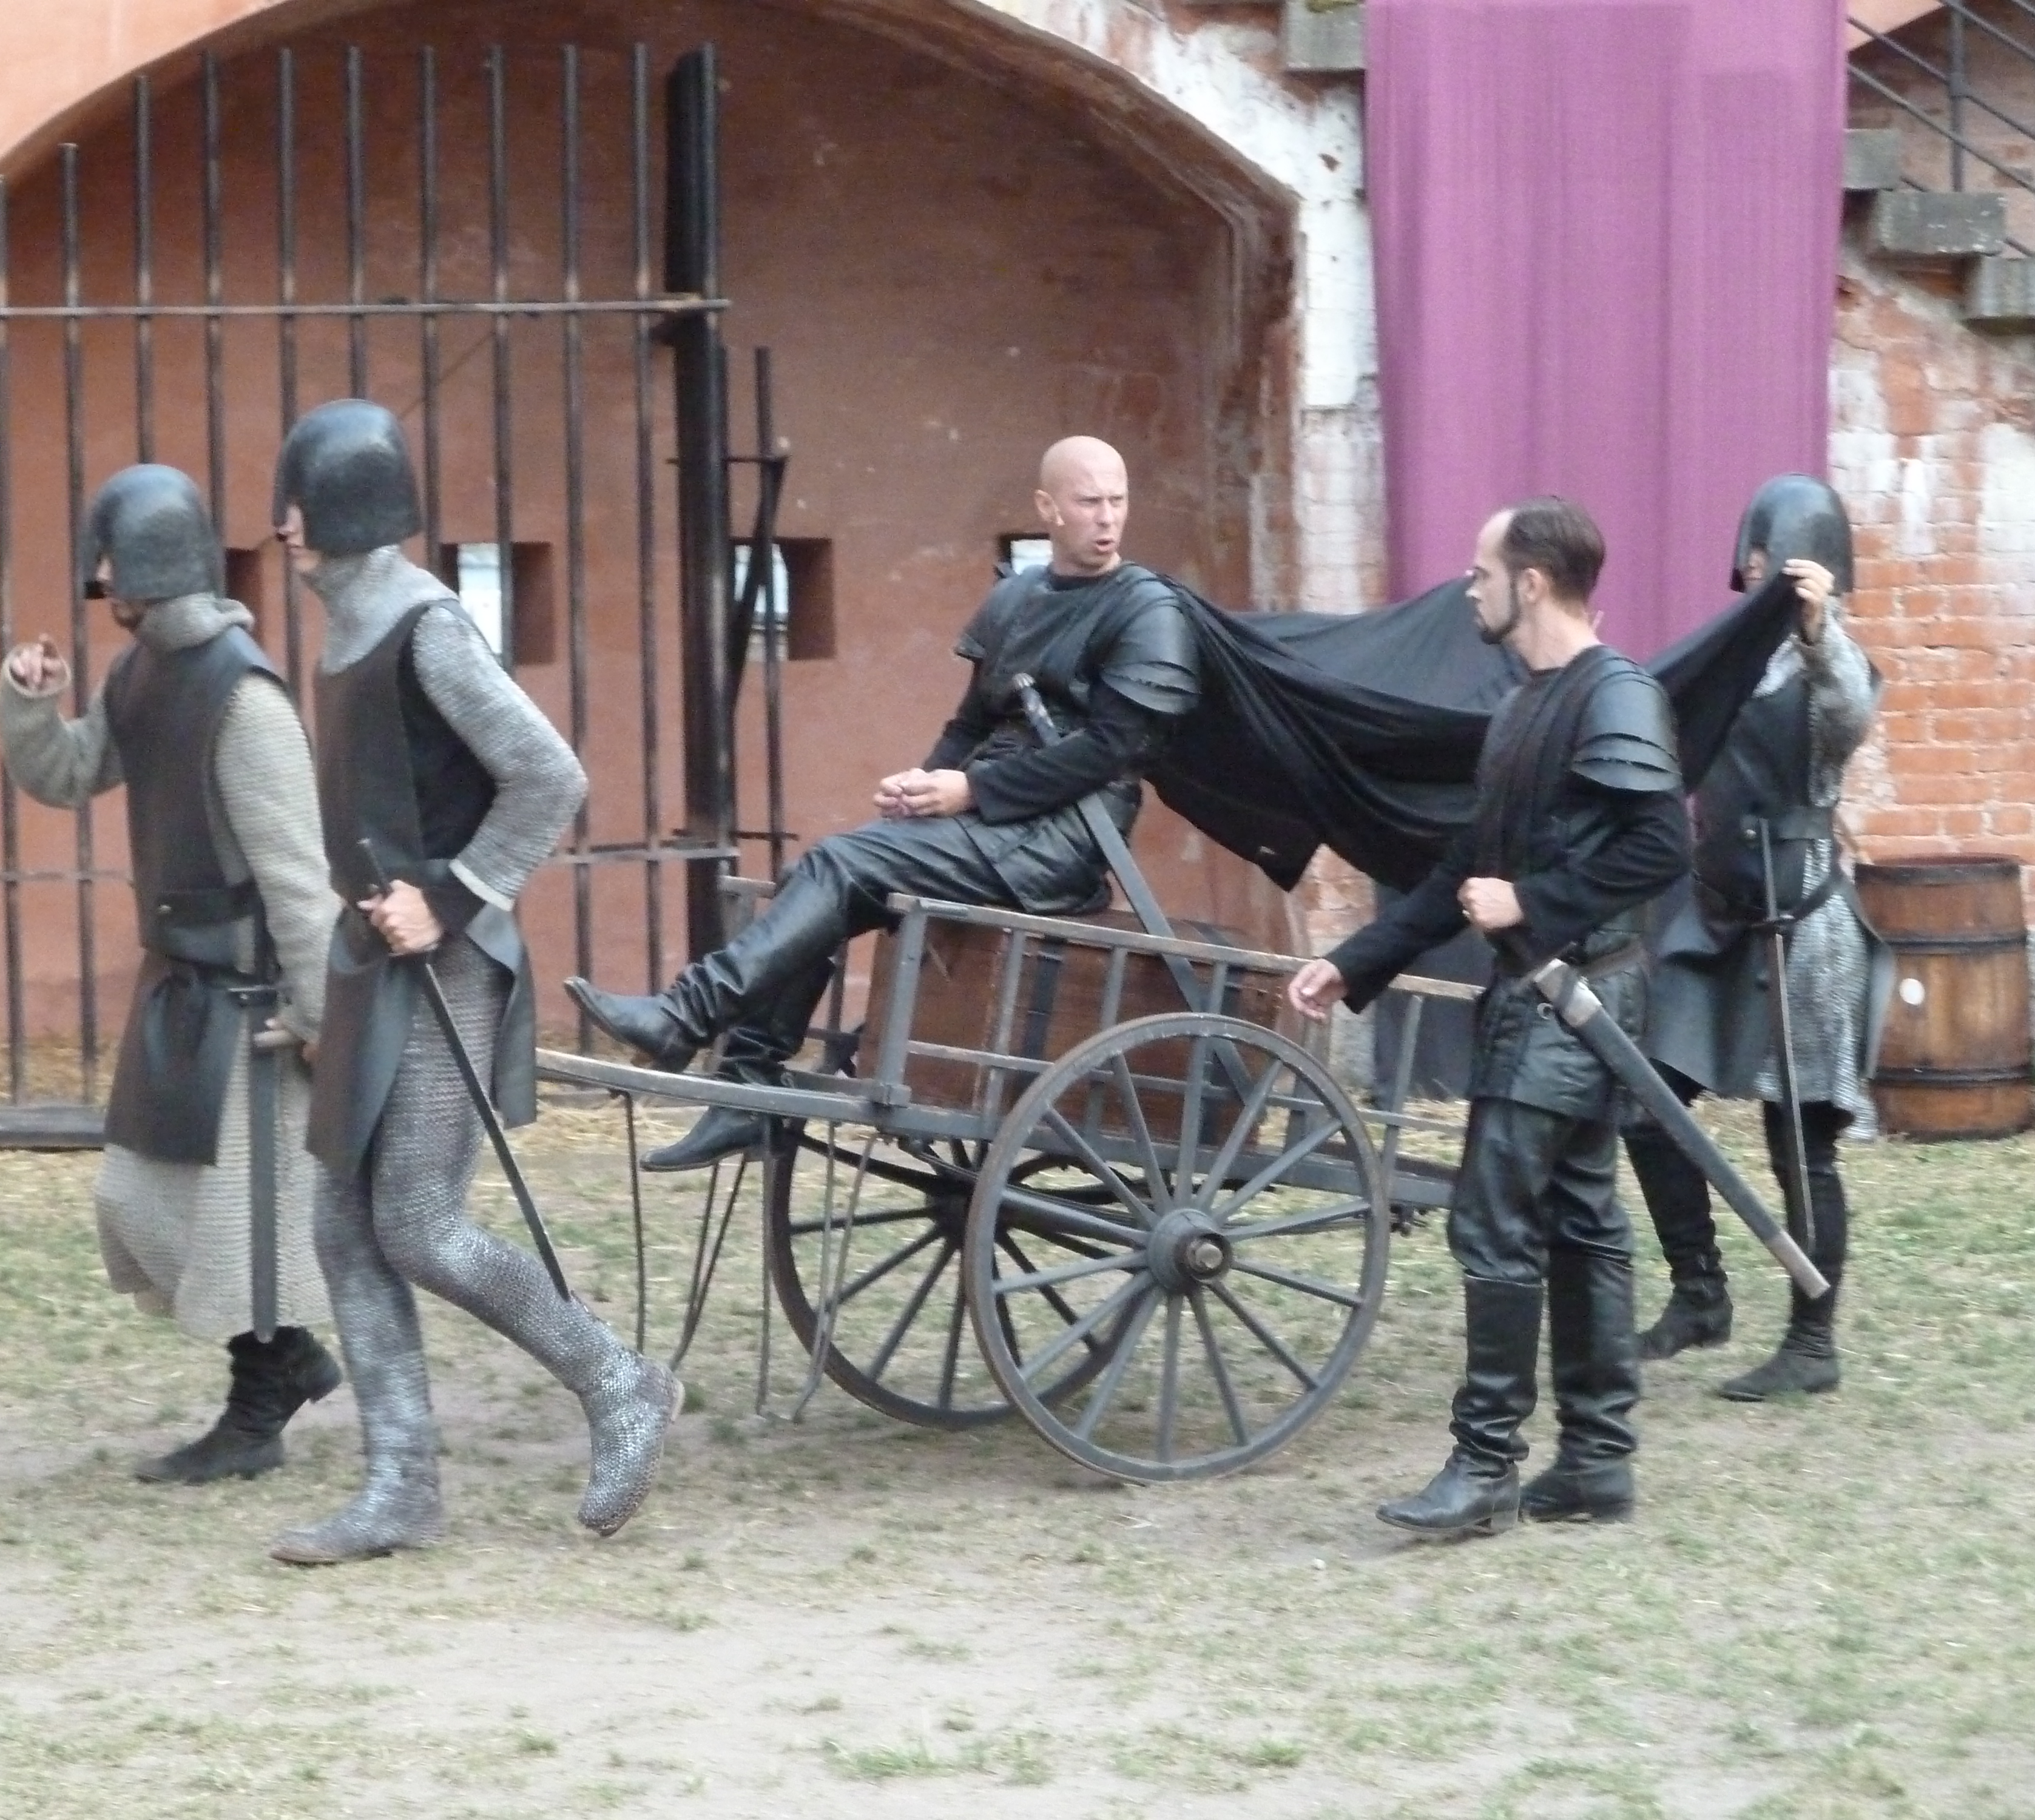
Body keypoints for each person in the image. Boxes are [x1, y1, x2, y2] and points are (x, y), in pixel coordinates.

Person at [268, 399, 680, 1565]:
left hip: (447, 962)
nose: (283, 523)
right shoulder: (351, 628)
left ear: (345, 508)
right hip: (376, 959)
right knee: (343, 1224)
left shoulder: (426, 628)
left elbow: (549, 776)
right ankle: (400, 1488)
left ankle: (618, 1380)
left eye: (298, 501)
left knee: (415, 1220)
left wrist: (448, 898)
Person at [566, 436, 1201, 1170]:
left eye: (1117, 500)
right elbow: (971, 723)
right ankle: (745, 1088)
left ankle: (686, 1015)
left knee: (841, 865)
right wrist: (923, 788)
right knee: (820, 874)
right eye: (1089, 501)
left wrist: (970, 789)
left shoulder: (1146, 610)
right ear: (1047, 507)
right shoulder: (1016, 598)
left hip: (1062, 841)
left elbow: (1112, 750)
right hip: (987, 822)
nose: (1107, 517)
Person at [1290, 497, 1689, 1537]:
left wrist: (1535, 904)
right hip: (1544, 1000)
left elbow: (1661, 849)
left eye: (1482, 573)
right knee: (1581, 1219)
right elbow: (1468, 864)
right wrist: (1356, 961)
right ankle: (1596, 1464)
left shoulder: (1616, 696)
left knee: (1496, 1219)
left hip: (1576, 998)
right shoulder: (1525, 705)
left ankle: (1487, 1467)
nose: (1470, 588)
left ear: (1534, 582)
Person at [0, 463, 345, 1484]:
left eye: (111, 561)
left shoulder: (243, 698)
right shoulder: (142, 671)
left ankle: (259, 1410)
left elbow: (298, 879)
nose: (102, 580)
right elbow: (69, 772)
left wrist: (320, 1014)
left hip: (249, 1000)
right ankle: (292, 1363)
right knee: (140, 1201)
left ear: (145, 562)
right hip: (181, 988)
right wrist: (31, 703)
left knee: (240, 1227)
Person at [1626, 476, 1886, 1399]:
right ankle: (1700, 1295)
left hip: (1802, 928)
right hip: (1718, 920)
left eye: (1771, 557)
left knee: (1799, 1150)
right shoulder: (1730, 657)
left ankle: (1812, 1344)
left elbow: (1847, 717)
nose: (1755, 570)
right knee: (1645, 1102)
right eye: (1753, 556)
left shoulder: (1831, 665)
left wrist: (1818, 632)